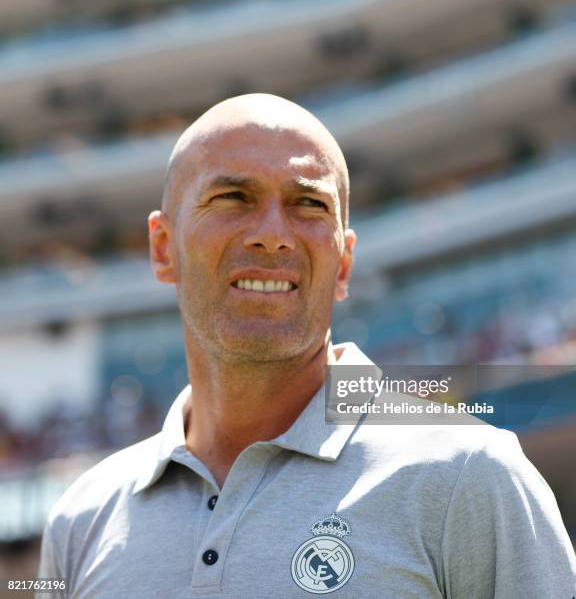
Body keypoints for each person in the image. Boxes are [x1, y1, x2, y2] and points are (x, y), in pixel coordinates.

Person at [38, 94, 576, 598]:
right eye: (232, 197)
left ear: (343, 263)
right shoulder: (80, 521)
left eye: (308, 204)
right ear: (163, 248)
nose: (272, 234)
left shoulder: (469, 474)